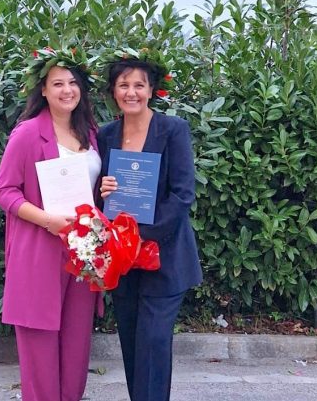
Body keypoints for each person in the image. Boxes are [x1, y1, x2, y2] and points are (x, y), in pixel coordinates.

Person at [0, 47, 101, 401]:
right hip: (40, 251)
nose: (67, 90)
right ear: (43, 89)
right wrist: (47, 221)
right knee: (39, 351)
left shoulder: (90, 133)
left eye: (72, 82)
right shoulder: (27, 134)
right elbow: (4, 191)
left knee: (76, 348)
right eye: (57, 83)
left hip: (83, 252)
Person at [98, 49, 203, 401]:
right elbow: (100, 196)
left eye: (139, 85)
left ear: (151, 89)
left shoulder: (173, 129)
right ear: (113, 91)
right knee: (131, 343)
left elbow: (183, 194)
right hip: (123, 260)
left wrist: (143, 235)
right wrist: (102, 190)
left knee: (154, 342)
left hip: (165, 257)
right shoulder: (106, 135)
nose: (131, 92)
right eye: (123, 85)